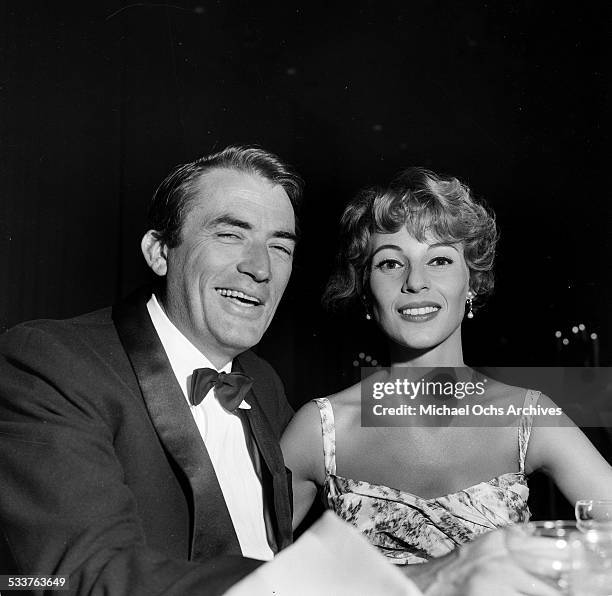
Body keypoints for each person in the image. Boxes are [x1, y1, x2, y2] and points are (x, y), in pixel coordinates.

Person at [0, 148, 566, 596]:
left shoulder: (265, 389)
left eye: (280, 245)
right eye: (230, 233)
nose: (259, 267)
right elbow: (69, 577)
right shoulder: (53, 362)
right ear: (158, 251)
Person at [282, 166, 612, 565]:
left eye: (439, 260)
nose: (415, 282)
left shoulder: (529, 416)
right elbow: (243, 572)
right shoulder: (320, 431)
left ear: (471, 282)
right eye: (390, 263)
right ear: (366, 290)